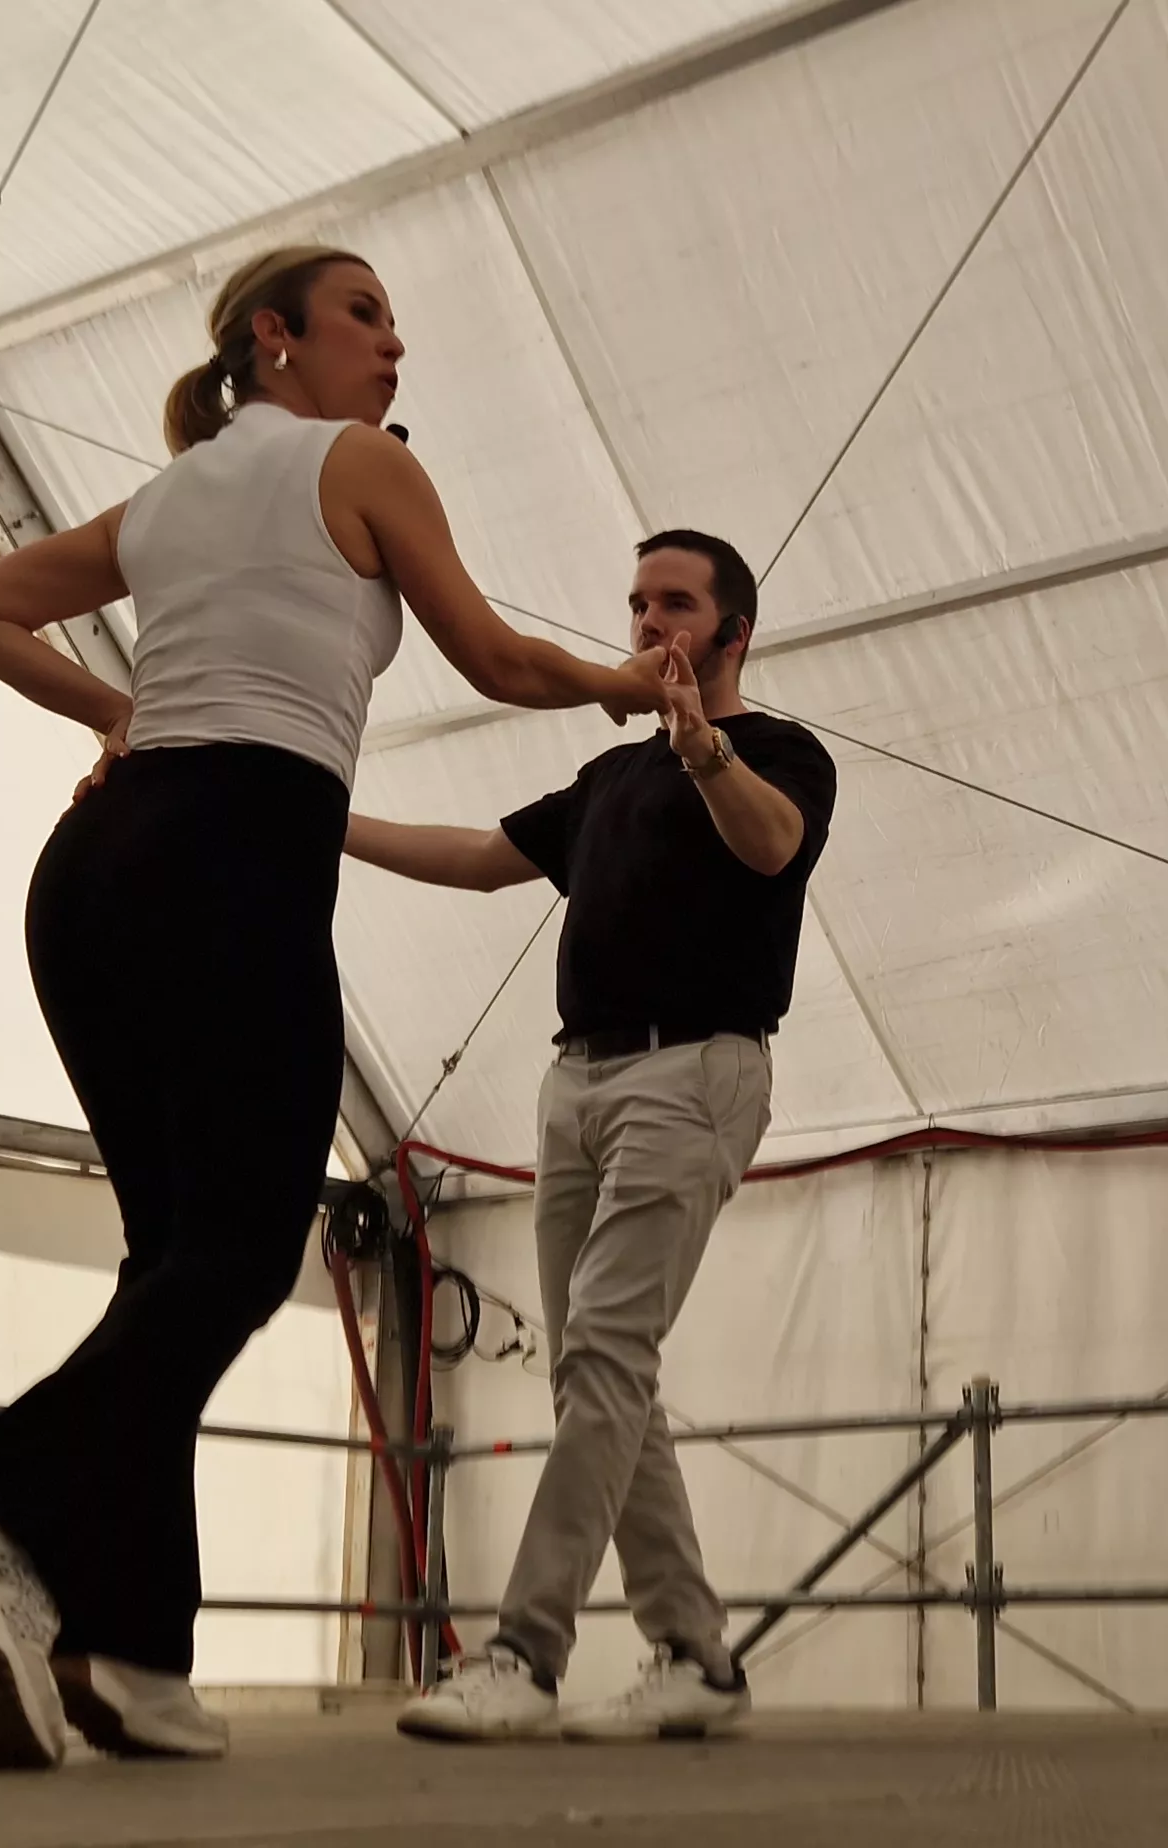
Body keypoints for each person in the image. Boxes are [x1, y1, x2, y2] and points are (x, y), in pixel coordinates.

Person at [0, 245, 665, 1773]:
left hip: (94, 873)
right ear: (276, 338)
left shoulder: (165, 500)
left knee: (171, 1265)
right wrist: (624, 690)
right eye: (367, 312)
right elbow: (494, 657)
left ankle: (132, 1656)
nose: (396, 342)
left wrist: (121, 714)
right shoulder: (359, 464)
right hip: (234, 854)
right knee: (235, 1257)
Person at [355, 530, 840, 1743]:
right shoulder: (605, 782)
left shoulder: (779, 756)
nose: (646, 623)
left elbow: (771, 845)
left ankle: (525, 1651)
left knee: (607, 1359)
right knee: (600, 1376)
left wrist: (704, 746)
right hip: (577, 1083)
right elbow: (476, 859)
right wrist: (331, 827)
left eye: (674, 603)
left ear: (734, 632)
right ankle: (696, 1657)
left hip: (695, 1074)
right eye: (634, 603)